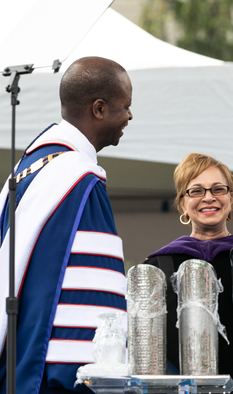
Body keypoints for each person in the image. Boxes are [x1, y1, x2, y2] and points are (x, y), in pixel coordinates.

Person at [0, 57, 132, 393]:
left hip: (16, 363)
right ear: (99, 108)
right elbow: (91, 300)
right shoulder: (79, 181)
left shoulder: (26, 169)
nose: (130, 116)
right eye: (125, 106)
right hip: (54, 378)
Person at [144, 153, 233, 393]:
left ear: (232, 198)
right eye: (196, 191)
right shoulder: (159, 266)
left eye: (218, 189)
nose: (209, 197)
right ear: (182, 204)